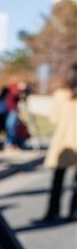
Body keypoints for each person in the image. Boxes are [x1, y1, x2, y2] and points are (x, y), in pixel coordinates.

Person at [41, 63, 77, 222]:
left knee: (57, 180)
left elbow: (53, 119)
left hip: (62, 141)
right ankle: (73, 212)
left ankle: (52, 212)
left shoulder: (60, 95)